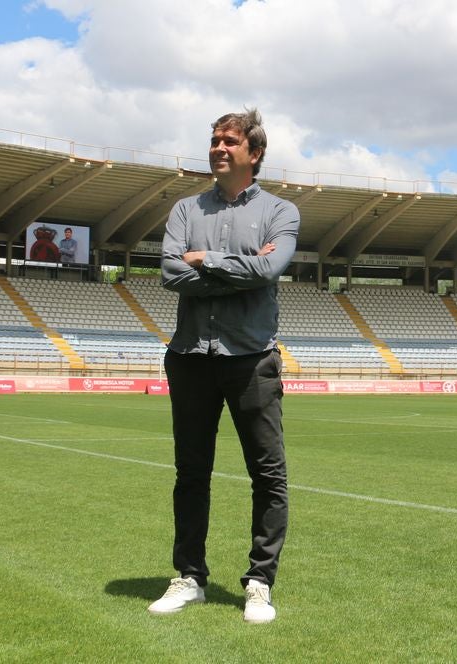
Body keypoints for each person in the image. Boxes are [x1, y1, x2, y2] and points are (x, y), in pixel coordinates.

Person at [147, 108, 300, 624]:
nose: (218, 148)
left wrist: (204, 260)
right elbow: (169, 273)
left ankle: (260, 582)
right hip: (190, 355)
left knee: (268, 473)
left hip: (251, 358)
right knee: (190, 472)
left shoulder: (281, 213)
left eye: (229, 141)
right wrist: (236, 270)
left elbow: (269, 268)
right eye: (214, 140)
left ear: (253, 153)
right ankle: (189, 577)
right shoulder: (185, 209)